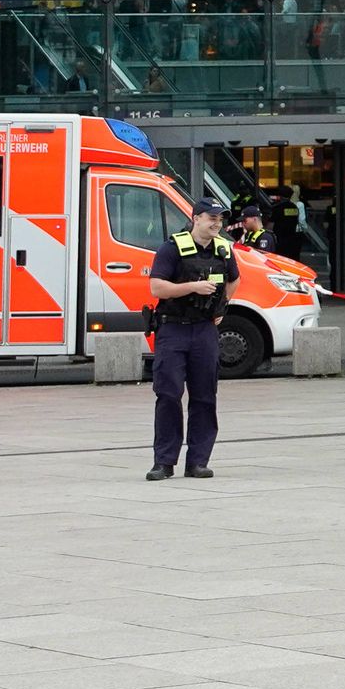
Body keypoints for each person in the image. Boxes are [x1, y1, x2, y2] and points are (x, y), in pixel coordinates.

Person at [143, 193, 238, 482]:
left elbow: (234, 279)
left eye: (220, 219)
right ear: (196, 218)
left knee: (205, 397)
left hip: (204, 330)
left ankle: (197, 462)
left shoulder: (223, 250)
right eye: (211, 218)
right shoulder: (172, 248)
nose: (217, 224)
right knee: (169, 394)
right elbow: (157, 288)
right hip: (173, 328)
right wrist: (194, 287)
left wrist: (222, 306)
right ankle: (164, 462)